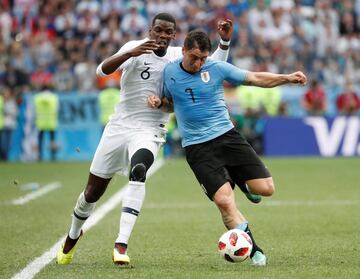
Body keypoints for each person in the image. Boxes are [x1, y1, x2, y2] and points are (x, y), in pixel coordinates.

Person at [57, 13, 233, 266]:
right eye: (158, 30)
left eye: (167, 32)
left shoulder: (176, 56)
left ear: (174, 35)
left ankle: (121, 244)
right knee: (92, 192)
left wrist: (224, 44)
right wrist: (131, 53)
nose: (162, 35)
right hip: (119, 126)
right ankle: (73, 235)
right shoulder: (133, 48)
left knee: (138, 170)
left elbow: (214, 67)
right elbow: (101, 71)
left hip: (151, 128)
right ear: (151, 29)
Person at [148, 30, 307, 266]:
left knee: (266, 189)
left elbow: (254, 78)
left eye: (203, 58)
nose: (198, 63)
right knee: (224, 202)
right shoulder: (169, 72)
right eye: (194, 57)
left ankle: (241, 181)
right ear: (183, 51)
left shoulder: (216, 68)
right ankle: (254, 251)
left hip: (227, 137)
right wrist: (160, 103)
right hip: (197, 147)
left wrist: (287, 77)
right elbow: (171, 104)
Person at [33, 86, 59, 161]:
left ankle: (39, 156)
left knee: (40, 141)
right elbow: (57, 109)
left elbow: (34, 110)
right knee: (52, 141)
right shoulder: (54, 97)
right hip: (51, 122)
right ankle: (53, 156)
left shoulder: (37, 98)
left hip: (40, 122)